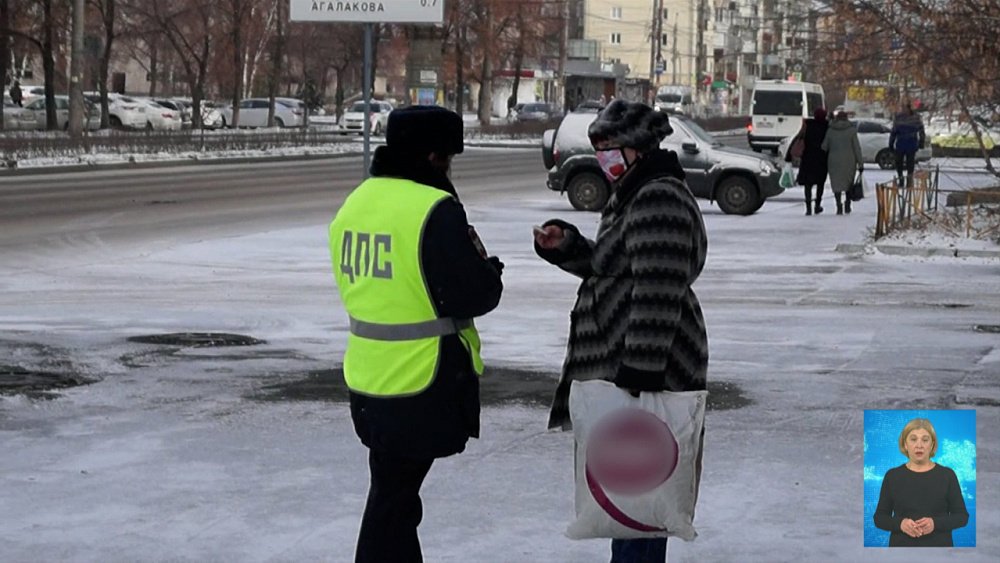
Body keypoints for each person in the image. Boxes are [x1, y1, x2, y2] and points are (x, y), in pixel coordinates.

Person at [534, 100, 708, 563]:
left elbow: (658, 286)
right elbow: (615, 266)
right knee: (630, 496)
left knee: (641, 499)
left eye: (610, 146)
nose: (603, 155)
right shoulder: (634, 190)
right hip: (628, 367)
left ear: (637, 147)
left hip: (647, 371)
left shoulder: (658, 196)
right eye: (598, 146)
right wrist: (567, 247)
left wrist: (641, 371)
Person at [328, 105, 504, 563]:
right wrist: (490, 269)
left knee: (393, 496)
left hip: (368, 377)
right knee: (393, 503)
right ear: (431, 157)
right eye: (447, 158)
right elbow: (474, 294)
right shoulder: (433, 209)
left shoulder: (359, 201)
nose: (449, 167)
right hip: (421, 379)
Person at [873, 418, 969, 547]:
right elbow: (879, 518)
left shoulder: (947, 475)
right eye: (913, 439)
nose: (919, 445)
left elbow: (962, 517)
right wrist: (900, 524)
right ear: (905, 444)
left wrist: (935, 524)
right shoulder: (893, 476)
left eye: (925, 440)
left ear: (932, 445)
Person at [788, 107, 829, 215]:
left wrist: (790, 154)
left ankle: (808, 207)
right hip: (821, 159)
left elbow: (799, 138)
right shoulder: (827, 126)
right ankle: (817, 205)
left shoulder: (808, 125)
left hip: (808, 158)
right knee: (820, 184)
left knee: (808, 184)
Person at [821, 110, 863, 215]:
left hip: (834, 161)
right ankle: (847, 204)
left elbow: (824, 146)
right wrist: (860, 163)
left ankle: (838, 205)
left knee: (836, 184)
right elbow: (856, 148)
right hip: (849, 160)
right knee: (848, 183)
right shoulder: (852, 131)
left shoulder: (830, 131)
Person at [889, 101, 926, 187]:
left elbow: (921, 131)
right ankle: (901, 179)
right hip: (900, 144)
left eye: (904, 108)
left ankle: (909, 181)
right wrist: (891, 143)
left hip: (911, 143)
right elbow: (894, 131)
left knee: (910, 163)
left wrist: (921, 142)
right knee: (899, 163)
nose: (903, 110)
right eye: (902, 108)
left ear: (909, 108)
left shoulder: (915, 118)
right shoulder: (898, 117)